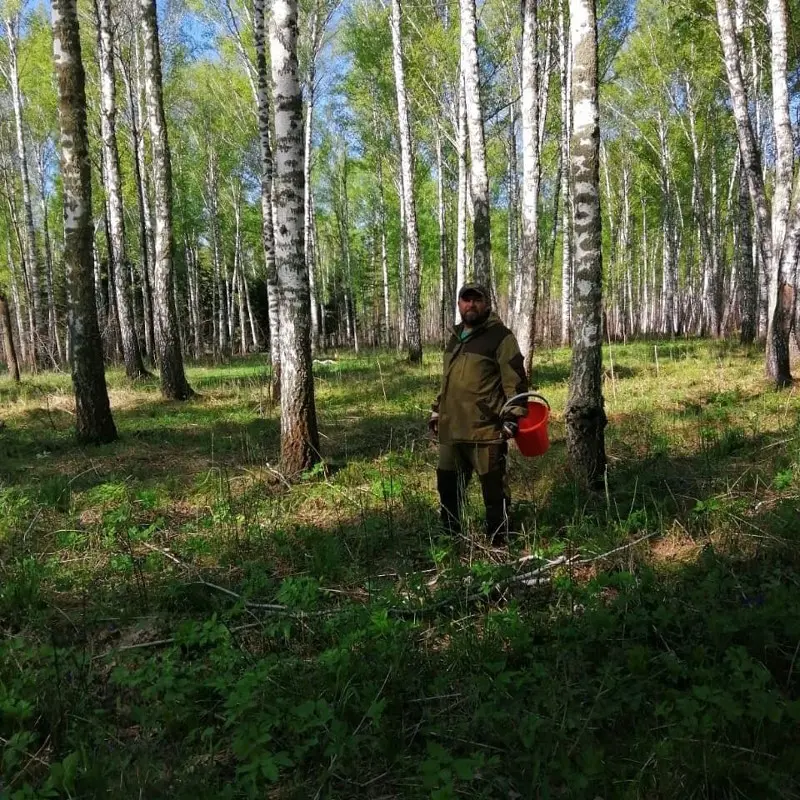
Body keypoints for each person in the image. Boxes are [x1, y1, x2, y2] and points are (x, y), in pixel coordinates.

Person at [429, 283, 528, 543]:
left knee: (493, 490)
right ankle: (450, 538)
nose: (470, 305)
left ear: (487, 304)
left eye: (476, 300)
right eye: (465, 300)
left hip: (486, 430)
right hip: (452, 430)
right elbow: (448, 381)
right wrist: (438, 411)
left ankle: (499, 541)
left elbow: (515, 379)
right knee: (448, 487)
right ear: (459, 304)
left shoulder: (500, 337)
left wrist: (512, 417)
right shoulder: (455, 335)